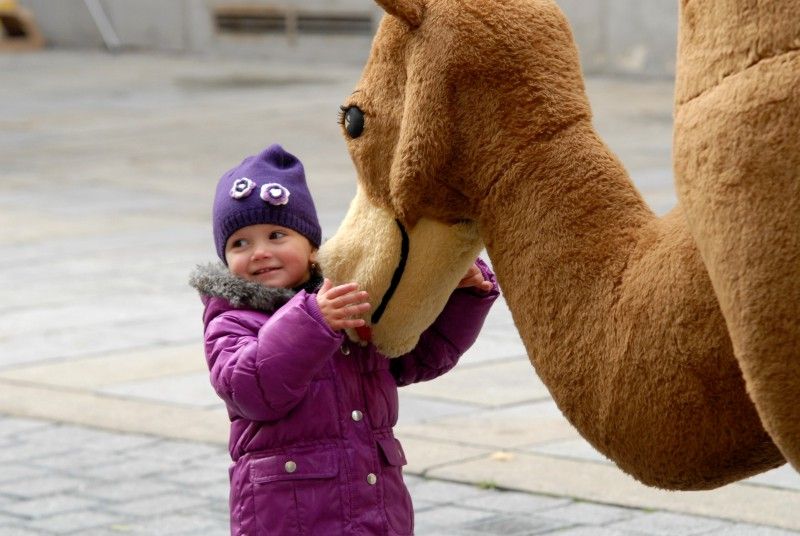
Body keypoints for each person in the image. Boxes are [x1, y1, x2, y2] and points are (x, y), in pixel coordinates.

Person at [190, 144, 499, 536]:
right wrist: (312, 321)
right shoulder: (232, 317)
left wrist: (463, 297)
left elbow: (416, 357)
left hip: (375, 505)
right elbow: (251, 388)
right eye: (240, 243)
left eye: (276, 234)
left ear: (312, 247)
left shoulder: (345, 300)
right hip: (289, 517)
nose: (260, 252)